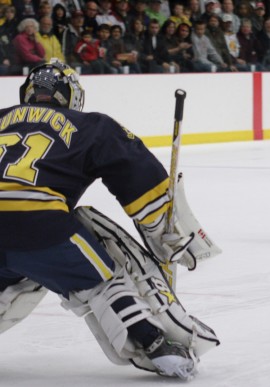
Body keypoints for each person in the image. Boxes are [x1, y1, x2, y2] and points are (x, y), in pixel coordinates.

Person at [0, 59, 219, 380]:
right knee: (106, 280)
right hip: (38, 224)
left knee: (8, 283)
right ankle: (157, 346)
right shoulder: (91, 124)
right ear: (71, 96)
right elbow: (136, 173)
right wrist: (165, 229)